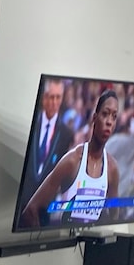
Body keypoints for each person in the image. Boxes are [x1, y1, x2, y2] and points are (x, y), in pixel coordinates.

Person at [19, 89, 120, 228]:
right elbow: (31, 209)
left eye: (114, 117)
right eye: (105, 114)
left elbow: (115, 217)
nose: (109, 122)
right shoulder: (72, 161)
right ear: (94, 118)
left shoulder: (112, 169)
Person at [20, 78, 73, 206]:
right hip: (21, 200)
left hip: (44, 206)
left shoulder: (66, 134)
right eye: (51, 97)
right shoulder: (28, 123)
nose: (54, 102)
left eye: (58, 97)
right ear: (44, 98)